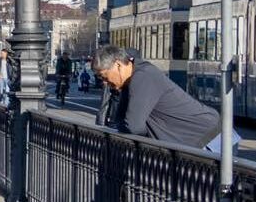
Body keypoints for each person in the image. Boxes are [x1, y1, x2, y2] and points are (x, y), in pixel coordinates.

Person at [93, 44, 229, 153]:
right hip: (196, 141)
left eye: (104, 76)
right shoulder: (130, 80)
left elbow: (133, 126)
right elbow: (121, 121)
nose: (104, 82)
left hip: (209, 139)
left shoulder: (143, 77)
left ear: (118, 65)